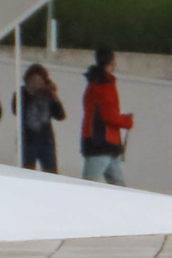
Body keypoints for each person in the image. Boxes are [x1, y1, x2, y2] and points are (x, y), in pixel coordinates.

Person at [80, 46, 134, 185]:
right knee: (90, 186)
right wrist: (127, 121)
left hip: (99, 143)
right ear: (111, 63)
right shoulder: (104, 85)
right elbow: (109, 116)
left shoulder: (94, 83)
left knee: (114, 185)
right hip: (103, 142)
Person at [17, 62, 67, 173]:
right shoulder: (22, 93)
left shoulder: (48, 95)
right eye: (33, 80)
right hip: (27, 141)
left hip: (46, 141)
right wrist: (30, 92)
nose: (37, 83)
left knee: (51, 173)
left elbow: (60, 115)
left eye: (39, 81)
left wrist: (53, 94)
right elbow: (16, 110)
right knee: (27, 173)